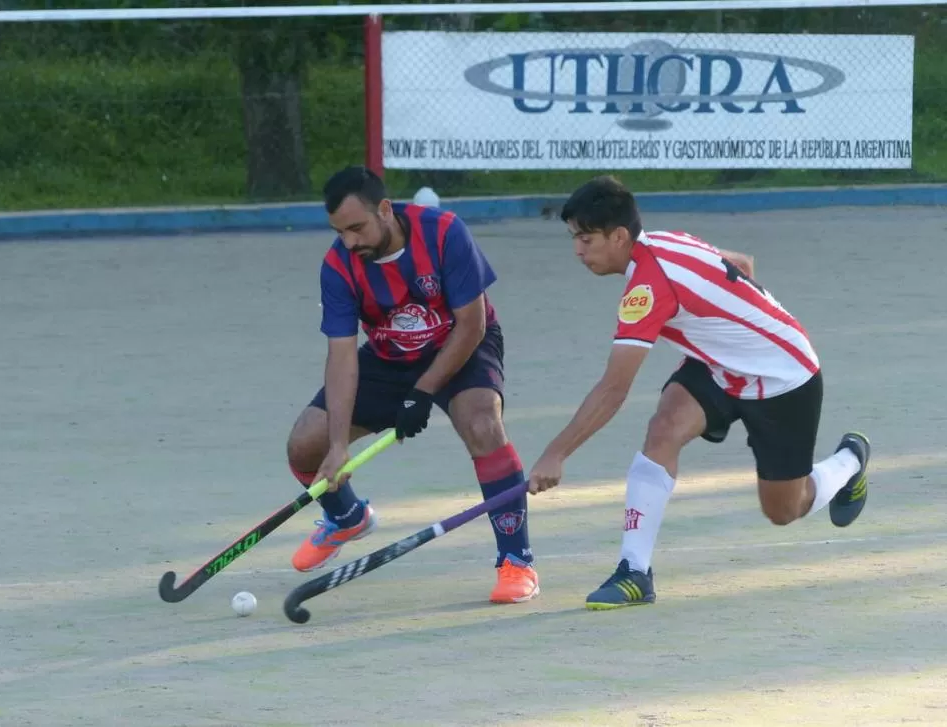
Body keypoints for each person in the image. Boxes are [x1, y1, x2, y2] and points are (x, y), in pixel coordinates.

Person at [527, 175, 871, 610]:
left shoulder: (648, 287)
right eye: (574, 238)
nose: (577, 249)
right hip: (718, 367)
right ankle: (634, 572)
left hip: (784, 379)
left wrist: (556, 453)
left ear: (618, 237)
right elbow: (741, 263)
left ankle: (850, 460)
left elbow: (614, 389)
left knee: (785, 509)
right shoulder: (663, 241)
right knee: (664, 428)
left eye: (585, 239)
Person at [285, 165, 539, 604]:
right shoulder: (339, 265)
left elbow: (472, 324)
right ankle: (346, 516)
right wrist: (339, 445)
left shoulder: (443, 232)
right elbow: (342, 356)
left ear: (385, 210)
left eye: (357, 228)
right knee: (306, 443)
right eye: (340, 232)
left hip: (460, 346)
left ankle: (516, 560)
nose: (350, 242)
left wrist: (422, 393)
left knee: (482, 425)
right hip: (387, 356)